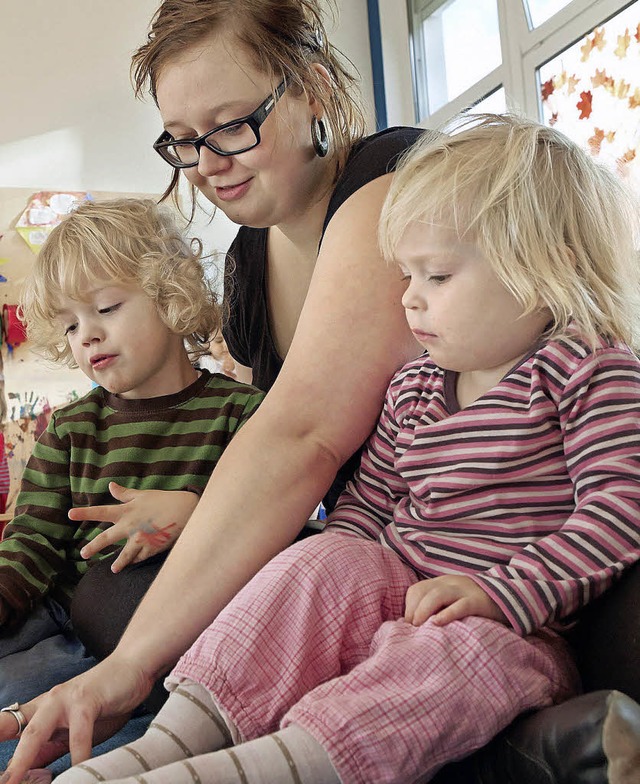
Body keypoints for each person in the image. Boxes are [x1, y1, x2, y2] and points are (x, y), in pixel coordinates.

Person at [41, 113, 640, 784]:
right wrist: (329, 588)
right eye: (405, 277)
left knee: (453, 662)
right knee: (324, 559)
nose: (409, 301)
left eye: (435, 278)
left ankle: (246, 771)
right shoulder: (416, 385)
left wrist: (503, 594)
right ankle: (165, 745)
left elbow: (620, 509)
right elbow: (366, 509)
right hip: (396, 592)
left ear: (540, 270)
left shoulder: (586, 368)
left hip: (511, 627)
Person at [0, 0, 420, 775]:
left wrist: (124, 669)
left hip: (473, 551)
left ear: (316, 90)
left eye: (231, 126)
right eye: (184, 141)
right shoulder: (251, 263)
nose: (206, 164)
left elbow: (300, 440)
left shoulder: (387, 187)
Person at [0, 198, 263, 708]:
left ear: (170, 295)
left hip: (175, 633)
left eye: (106, 308)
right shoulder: (72, 428)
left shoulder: (242, 413)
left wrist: (194, 512)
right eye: (71, 325)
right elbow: (34, 539)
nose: (88, 335)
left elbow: (271, 521)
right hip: (61, 613)